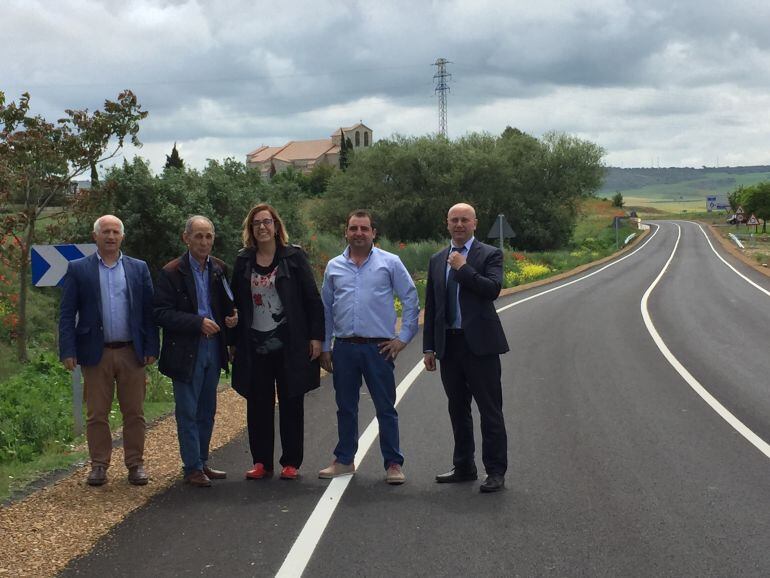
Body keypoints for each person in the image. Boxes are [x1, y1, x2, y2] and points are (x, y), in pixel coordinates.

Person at [318, 209, 419, 485]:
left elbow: (410, 299)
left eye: (364, 228)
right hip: (345, 348)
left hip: (379, 348)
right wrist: (325, 346)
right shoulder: (334, 267)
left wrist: (403, 337)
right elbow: (325, 308)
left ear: (374, 232)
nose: (358, 233)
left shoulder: (391, 263)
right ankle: (344, 460)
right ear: (346, 232)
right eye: (354, 228)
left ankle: (394, 463)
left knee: (386, 407)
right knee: (345, 407)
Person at [59, 215, 159, 487]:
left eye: (115, 232)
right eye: (106, 232)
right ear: (96, 236)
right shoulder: (79, 269)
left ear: (122, 237)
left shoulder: (138, 269)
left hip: (131, 351)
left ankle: (135, 464)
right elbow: (67, 313)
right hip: (95, 353)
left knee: (135, 412)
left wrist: (151, 346)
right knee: (97, 414)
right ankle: (99, 466)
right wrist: (67, 350)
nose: (111, 236)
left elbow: (149, 312)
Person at [229, 203, 324, 481]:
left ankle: (291, 462)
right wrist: (232, 341)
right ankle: (261, 461)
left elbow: (311, 299)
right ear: (250, 229)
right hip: (254, 345)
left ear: (276, 226)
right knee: (258, 404)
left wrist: (316, 336)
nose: (262, 227)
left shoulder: (293, 257)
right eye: (256, 223)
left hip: (290, 344)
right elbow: (235, 303)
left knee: (291, 401)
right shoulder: (244, 260)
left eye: (267, 222)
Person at [423, 202, 509, 493]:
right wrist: (429, 348)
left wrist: (463, 268)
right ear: (446, 224)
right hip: (450, 345)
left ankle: (495, 471)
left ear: (475, 224)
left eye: (464, 220)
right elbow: (432, 305)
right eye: (454, 220)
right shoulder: (437, 259)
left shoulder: (490, 254)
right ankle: (464, 466)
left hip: (481, 346)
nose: (459, 225)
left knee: (490, 411)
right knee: (457, 409)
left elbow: (492, 289)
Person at [153, 216, 238, 487]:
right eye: (198, 236)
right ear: (186, 238)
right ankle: (191, 467)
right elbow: (160, 313)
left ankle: (201, 461)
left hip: (214, 347)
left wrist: (232, 318)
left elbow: (228, 304)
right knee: (187, 410)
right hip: (185, 349)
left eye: (208, 236)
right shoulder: (171, 271)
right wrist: (196, 322)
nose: (204, 242)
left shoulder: (220, 268)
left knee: (207, 409)